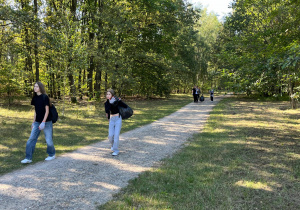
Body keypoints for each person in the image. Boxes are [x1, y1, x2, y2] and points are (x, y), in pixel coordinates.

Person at [21, 82, 55, 164]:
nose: (34, 88)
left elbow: (47, 111)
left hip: (46, 122)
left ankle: (51, 154)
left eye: (36, 86)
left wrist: (43, 122)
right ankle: (28, 158)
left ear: (40, 88)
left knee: (49, 140)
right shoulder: (35, 98)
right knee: (31, 139)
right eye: (34, 86)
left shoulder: (45, 97)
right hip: (37, 122)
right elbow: (36, 111)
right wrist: (33, 122)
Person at [104, 89, 128, 156]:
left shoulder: (117, 101)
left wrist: (120, 101)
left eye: (109, 94)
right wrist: (108, 119)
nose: (108, 95)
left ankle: (116, 150)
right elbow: (107, 112)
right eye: (107, 94)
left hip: (118, 119)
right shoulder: (106, 103)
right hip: (111, 119)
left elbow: (125, 106)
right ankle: (113, 145)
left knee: (116, 135)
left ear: (112, 95)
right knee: (110, 136)